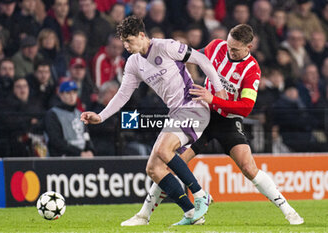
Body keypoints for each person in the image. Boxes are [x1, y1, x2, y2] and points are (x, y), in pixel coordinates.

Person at [121, 24, 304, 226]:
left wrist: (213, 98)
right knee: (171, 164)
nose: (229, 51)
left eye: (235, 49)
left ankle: (288, 211)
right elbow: (193, 57)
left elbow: (245, 108)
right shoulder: (217, 46)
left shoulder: (252, 70)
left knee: (248, 167)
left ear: (248, 47)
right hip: (201, 114)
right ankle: (144, 214)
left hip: (228, 120)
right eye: (228, 45)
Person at [81, 16, 225, 225]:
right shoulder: (133, 63)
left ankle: (200, 194)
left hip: (193, 106)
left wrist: (218, 93)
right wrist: (101, 116)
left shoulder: (166, 46)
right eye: (124, 42)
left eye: (129, 41)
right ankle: (191, 213)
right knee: (154, 169)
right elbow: (123, 95)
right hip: (175, 112)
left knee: (163, 151)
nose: (126, 46)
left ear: (141, 35)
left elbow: (202, 60)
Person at [45, 80, 95, 157]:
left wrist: (90, 149)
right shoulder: (53, 114)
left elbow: (86, 134)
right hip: (63, 157)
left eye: (74, 92)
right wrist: (79, 153)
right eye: (68, 93)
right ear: (60, 95)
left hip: (82, 156)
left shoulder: (79, 113)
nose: (72, 96)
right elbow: (56, 141)